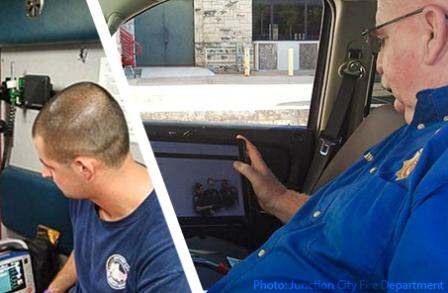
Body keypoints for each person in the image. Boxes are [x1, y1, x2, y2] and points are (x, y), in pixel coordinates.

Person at [210, 0, 448, 291]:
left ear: (433, 33)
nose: (380, 65)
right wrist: (277, 197)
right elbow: (349, 228)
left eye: (382, 41)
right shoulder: (416, 129)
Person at [33, 82, 190, 292]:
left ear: (84, 169)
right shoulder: (84, 193)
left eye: (48, 166)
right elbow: (85, 251)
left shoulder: (168, 257)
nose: (44, 174)